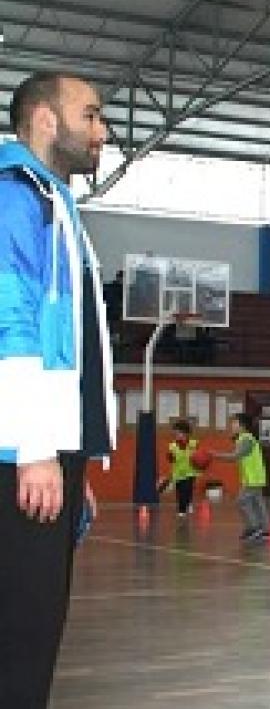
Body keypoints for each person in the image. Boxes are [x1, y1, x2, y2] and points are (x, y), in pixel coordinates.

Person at [0, 71, 118, 708]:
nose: (101, 131)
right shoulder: (15, 196)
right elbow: (10, 324)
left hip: (47, 451)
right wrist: (36, 448)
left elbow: (68, 348)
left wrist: (77, 459)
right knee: (23, 636)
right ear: (46, 119)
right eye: (91, 116)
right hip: (23, 452)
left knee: (35, 633)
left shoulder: (53, 202)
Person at [214, 413, 270, 542]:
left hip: (253, 478)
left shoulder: (246, 439)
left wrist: (214, 455)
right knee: (257, 503)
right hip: (254, 477)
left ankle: (254, 527)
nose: (232, 426)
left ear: (243, 426)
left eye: (235, 423)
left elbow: (235, 456)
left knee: (242, 501)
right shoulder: (244, 438)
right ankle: (265, 530)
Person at [167, 420, 200, 518]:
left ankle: (182, 510)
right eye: (175, 433)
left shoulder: (194, 443)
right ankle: (185, 504)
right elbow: (171, 459)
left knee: (187, 489)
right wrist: (170, 457)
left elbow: (199, 455)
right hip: (178, 473)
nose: (176, 435)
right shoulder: (172, 445)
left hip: (190, 472)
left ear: (186, 433)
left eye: (178, 433)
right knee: (180, 492)